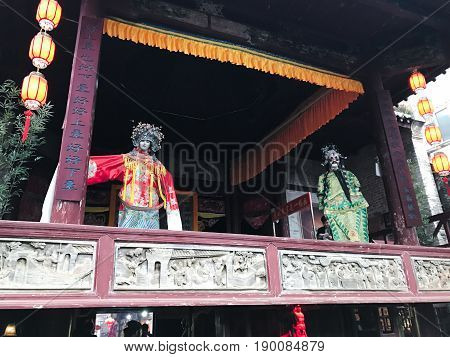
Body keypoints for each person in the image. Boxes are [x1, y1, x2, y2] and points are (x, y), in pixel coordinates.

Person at [87, 123, 182, 230]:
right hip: (130, 203)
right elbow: (108, 166)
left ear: (151, 144)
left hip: (150, 205)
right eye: (142, 141)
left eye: (147, 141)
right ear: (137, 142)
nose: (145, 143)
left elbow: (167, 181)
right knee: (127, 233)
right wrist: (83, 166)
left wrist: (170, 203)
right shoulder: (127, 160)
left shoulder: (157, 165)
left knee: (149, 235)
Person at [317, 144, 369, 243]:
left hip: (354, 205)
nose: (334, 160)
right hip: (334, 207)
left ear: (339, 159)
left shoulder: (349, 174)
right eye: (331, 158)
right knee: (340, 229)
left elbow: (357, 188)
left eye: (336, 157)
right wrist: (323, 207)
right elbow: (321, 194)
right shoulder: (323, 178)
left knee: (356, 226)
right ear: (327, 161)